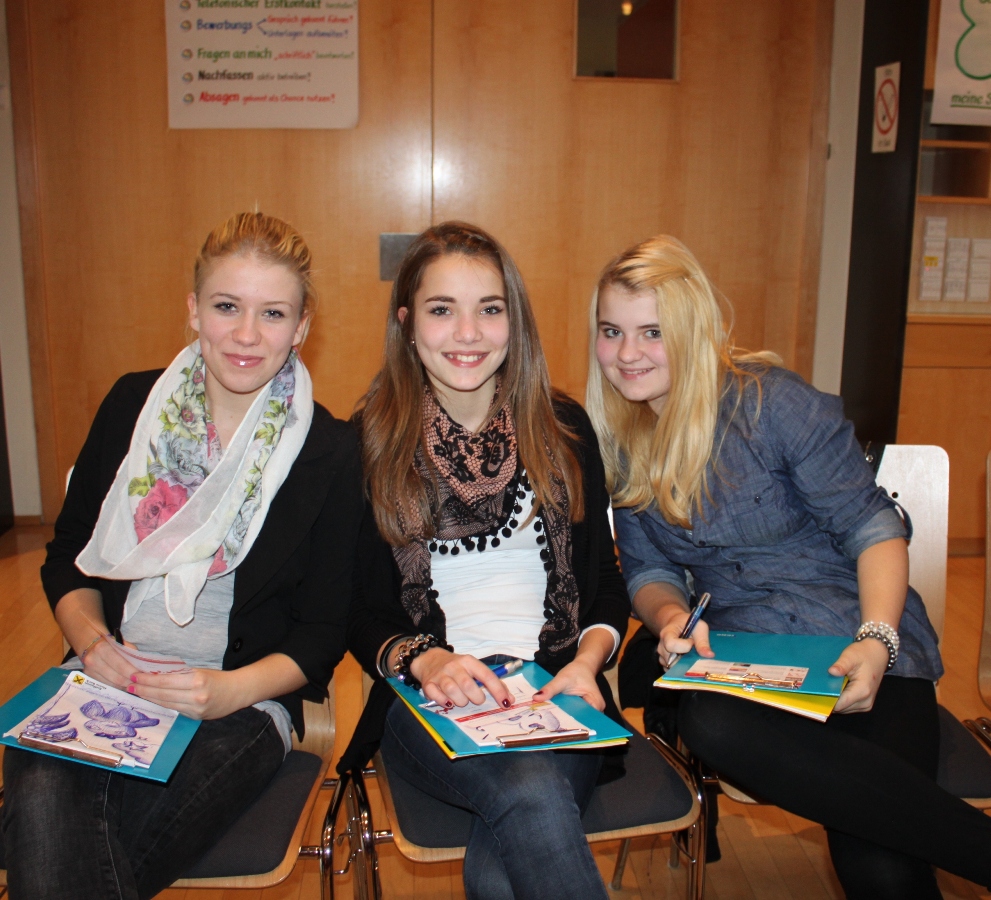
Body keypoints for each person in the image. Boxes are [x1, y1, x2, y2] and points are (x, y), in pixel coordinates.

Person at [586, 234, 991, 899]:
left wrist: (877, 641)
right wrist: (670, 617)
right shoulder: (623, 446)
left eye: (652, 332)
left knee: (879, 863)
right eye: (612, 331)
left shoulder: (770, 404)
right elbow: (646, 571)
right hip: (753, 657)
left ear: (692, 329)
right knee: (708, 721)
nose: (628, 353)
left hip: (862, 636)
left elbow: (873, 528)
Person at [1, 212, 364, 900]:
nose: (247, 334)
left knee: (58, 836)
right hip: (105, 678)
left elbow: (323, 632)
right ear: (194, 309)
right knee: (46, 791)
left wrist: (226, 691)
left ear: (301, 326)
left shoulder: (332, 451)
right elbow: (69, 555)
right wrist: (94, 645)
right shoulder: (130, 406)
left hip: (240, 705)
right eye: (227, 307)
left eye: (273, 313)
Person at [339, 222, 630, 900]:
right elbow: (356, 614)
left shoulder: (564, 431)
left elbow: (605, 587)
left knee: (506, 858)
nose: (468, 333)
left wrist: (586, 665)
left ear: (513, 321)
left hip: (559, 691)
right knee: (531, 794)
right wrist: (427, 661)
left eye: (489, 309)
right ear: (407, 323)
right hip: (429, 699)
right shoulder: (366, 444)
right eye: (442, 309)